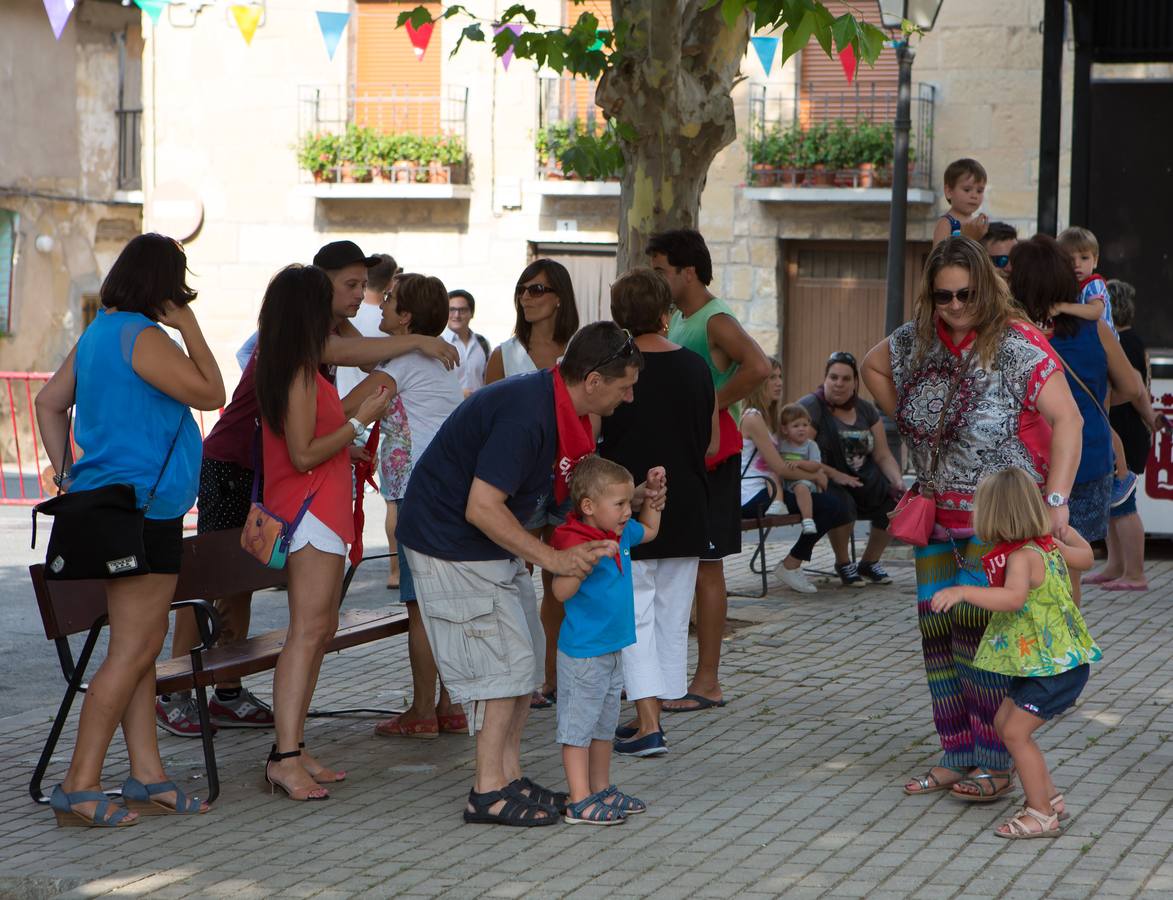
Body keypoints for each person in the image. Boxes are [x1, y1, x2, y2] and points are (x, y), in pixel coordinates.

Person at [156, 246, 446, 736]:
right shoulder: (300, 342)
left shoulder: (319, 335)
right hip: (234, 464)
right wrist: (419, 341)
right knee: (214, 583)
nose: (361, 297)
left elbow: (350, 359)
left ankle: (226, 691)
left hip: (273, 470)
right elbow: (355, 355)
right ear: (319, 287)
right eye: (350, 286)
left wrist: (342, 441)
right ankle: (177, 691)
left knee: (243, 588)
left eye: (364, 285)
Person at [396, 322, 650, 826]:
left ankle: (508, 777)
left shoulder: (567, 413)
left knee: (525, 660)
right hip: (449, 542)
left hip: (484, 545)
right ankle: (486, 791)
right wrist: (553, 559)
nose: (631, 396)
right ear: (594, 381)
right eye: (626, 385)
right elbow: (482, 506)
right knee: (502, 667)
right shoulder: (525, 413)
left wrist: (627, 503)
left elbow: (557, 503)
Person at [862, 235, 1083, 803]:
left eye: (965, 294)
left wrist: (1056, 504)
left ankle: (997, 762)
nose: (956, 306)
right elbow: (870, 366)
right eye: (943, 297)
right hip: (934, 511)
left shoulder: (1017, 343)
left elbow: (1070, 422)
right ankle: (956, 752)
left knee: (986, 638)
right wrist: (913, 421)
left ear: (985, 286)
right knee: (938, 635)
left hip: (1000, 519)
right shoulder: (915, 340)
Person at [35, 233, 224, 825]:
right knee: (136, 649)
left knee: (134, 648)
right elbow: (213, 393)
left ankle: (147, 774)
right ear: (165, 285)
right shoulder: (143, 336)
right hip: (145, 509)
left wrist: (69, 473)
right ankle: (78, 784)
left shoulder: (96, 335)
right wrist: (188, 324)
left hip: (117, 505)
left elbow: (47, 402)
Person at [254, 265, 391, 801]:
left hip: (320, 508)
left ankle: (293, 746)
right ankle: (285, 757)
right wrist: (360, 423)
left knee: (318, 628)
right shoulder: (299, 370)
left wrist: (350, 429)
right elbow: (304, 452)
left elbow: (314, 439)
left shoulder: (304, 366)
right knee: (307, 632)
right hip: (311, 512)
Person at [931, 468, 1100, 838]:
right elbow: (1086, 558)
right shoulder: (1044, 544)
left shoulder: (1024, 555)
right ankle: (1050, 797)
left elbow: (1012, 598)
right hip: (1050, 663)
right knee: (1006, 725)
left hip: (1053, 668)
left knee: (1016, 734)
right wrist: (1066, 534)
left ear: (995, 514)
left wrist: (962, 592)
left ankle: (1040, 813)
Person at [649, 229, 771, 712]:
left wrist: (711, 404)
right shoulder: (679, 317)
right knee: (682, 565)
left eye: (662, 270)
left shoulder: (715, 318)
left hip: (713, 459)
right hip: (686, 457)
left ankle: (708, 681)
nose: (658, 280)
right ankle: (664, 676)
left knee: (707, 566)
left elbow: (758, 367)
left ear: (688, 271)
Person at [600, 267, 716, 756]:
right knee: (670, 617)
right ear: (665, 313)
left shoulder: (614, 370)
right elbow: (709, 439)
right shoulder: (694, 366)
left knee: (635, 616)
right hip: (688, 501)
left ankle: (648, 722)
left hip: (629, 505)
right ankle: (656, 706)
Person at [346, 274, 467, 739]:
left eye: (391, 299)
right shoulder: (432, 361)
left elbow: (347, 408)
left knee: (421, 606)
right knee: (441, 604)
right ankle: (449, 703)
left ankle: (421, 711)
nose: (381, 303)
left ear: (407, 316)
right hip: (445, 491)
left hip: (421, 494)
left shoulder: (404, 364)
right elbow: (364, 356)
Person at [1010, 235, 1152, 577]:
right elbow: (1133, 387)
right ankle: (1066, 629)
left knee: (1020, 564)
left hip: (1024, 463)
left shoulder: (1014, 332)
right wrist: (1098, 400)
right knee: (1068, 564)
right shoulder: (1095, 328)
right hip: (1088, 460)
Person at [484, 259, 581, 709]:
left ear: (559, 295)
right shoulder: (504, 354)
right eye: (522, 289)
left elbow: (592, 416)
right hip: (519, 481)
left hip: (568, 476)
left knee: (560, 579)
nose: (527, 297)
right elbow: (485, 418)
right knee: (514, 579)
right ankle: (525, 676)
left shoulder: (578, 351)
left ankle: (554, 676)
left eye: (537, 289)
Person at [549, 457, 663, 824]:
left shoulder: (619, 530)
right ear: (588, 506)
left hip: (613, 650)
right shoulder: (573, 539)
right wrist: (584, 560)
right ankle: (578, 799)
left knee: (603, 727)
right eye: (620, 504)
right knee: (578, 728)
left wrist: (654, 502)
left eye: (629, 503)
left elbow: (650, 532)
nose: (627, 511)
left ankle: (600, 789)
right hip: (584, 654)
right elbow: (560, 592)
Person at [740, 361, 854, 595]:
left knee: (833, 504)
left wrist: (817, 473)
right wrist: (816, 476)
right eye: (772, 377)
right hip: (753, 495)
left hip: (770, 491)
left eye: (780, 376)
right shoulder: (752, 418)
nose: (779, 382)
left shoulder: (766, 417)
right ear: (758, 382)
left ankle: (792, 563)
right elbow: (780, 468)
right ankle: (791, 565)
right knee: (830, 505)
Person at [799, 351, 905, 586]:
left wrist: (898, 480)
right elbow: (799, 453)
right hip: (825, 477)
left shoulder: (866, 410)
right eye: (833, 377)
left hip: (862, 477)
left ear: (855, 382)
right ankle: (843, 563)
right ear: (825, 378)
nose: (839, 384)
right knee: (842, 503)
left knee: (894, 500)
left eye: (846, 379)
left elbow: (882, 453)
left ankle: (869, 562)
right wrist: (836, 475)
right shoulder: (812, 407)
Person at [1090, 280, 1165, 590]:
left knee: (1124, 504)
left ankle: (1135, 572)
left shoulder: (1125, 341)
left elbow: (1132, 388)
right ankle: (1116, 564)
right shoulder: (1124, 338)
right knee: (1112, 502)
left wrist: (1100, 402)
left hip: (1128, 429)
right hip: (1122, 425)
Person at [1056, 226, 1114, 333]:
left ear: (1095, 260)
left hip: (1102, 344)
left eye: (1084, 258)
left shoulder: (1094, 284)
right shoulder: (1067, 286)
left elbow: (1095, 311)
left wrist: (1060, 306)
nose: (1077, 264)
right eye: (1070, 259)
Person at [776, 404, 822, 535]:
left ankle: (808, 519)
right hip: (785, 483)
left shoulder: (810, 446)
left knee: (800, 487)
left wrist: (800, 463)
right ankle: (777, 502)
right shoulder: (781, 445)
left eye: (805, 425)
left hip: (804, 482)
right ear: (785, 429)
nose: (801, 429)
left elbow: (815, 465)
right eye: (796, 426)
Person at [931, 158, 990, 245]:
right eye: (967, 190)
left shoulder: (976, 224)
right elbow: (939, 256)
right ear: (949, 192)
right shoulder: (946, 223)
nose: (974, 195)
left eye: (979, 191)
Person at [443, 289, 490, 396]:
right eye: (452, 310)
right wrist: (458, 393)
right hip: (449, 409)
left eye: (462, 310)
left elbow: (488, 378)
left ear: (472, 313)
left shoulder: (482, 343)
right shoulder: (438, 343)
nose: (456, 315)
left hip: (478, 408)